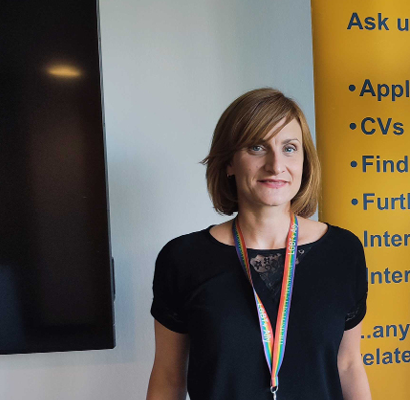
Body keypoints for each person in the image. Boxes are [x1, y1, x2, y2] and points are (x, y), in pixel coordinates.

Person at [147, 88, 371, 400]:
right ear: (229, 163)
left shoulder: (343, 252)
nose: (276, 164)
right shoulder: (183, 259)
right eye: (256, 147)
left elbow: (348, 365)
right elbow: (169, 379)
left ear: (305, 162)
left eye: (290, 148)